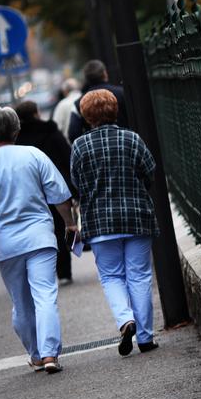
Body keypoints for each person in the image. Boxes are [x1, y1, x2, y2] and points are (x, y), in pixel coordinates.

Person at [0, 106, 76, 374]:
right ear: (17, 130)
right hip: (40, 238)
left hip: (7, 244)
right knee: (45, 295)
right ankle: (49, 354)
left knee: (21, 303)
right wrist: (70, 224)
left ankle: (35, 354)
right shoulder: (34, 155)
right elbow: (59, 195)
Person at [70, 89, 160, 356]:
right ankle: (145, 337)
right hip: (136, 217)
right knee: (140, 276)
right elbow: (150, 171)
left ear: (86, 116)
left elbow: (76, 183)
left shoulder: (79, 146)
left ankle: (125, 320)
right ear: (115, 110)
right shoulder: (132, 139)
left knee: (111, 276)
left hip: (99, 222)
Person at [13, 100, 77, 285]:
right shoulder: (50, 131)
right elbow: (67, 156)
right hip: (55, 188)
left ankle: (43, 274)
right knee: (60, 228)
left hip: (30, 192)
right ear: (36, 113)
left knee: (36, 231)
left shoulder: (18, 138)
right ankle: (64, 273)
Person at [67, 60, 128, 143]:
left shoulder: (79, 103)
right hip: (124, 141)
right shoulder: (122, 93)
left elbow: (73, 133)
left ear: (87, 78)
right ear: (105, 73)